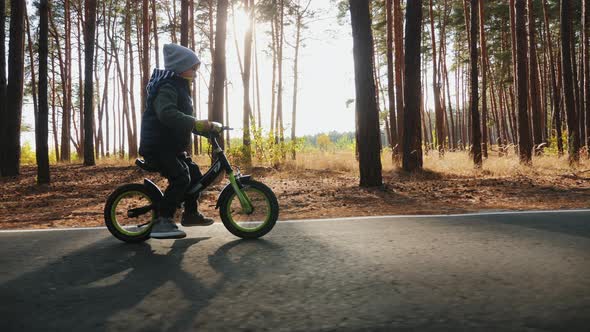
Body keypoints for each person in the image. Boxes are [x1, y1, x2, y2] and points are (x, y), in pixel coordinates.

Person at [139, 43, 222, 239]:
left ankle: (190, 214)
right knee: (181, 177)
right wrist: (195, 122)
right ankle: (163, 221)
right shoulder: (167, 86)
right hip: (158, 146)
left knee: (194, 175)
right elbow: (167, 114)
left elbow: (183, 122)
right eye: (192, 67)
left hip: (171, 147)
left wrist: (206, 129)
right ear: (179, 67)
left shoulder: (180, 87)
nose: (195, 71)